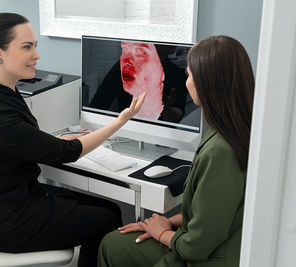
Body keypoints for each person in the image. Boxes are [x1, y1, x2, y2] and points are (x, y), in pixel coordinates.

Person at [0, 13, 145, 267]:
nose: (36, 55)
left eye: (35, 46)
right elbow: (68, 153)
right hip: (0, 219)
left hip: (6, 198)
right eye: (26, 47)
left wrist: (61, 138)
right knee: (105, 220)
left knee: (110, 210)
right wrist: (119, 122)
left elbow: (27, 140)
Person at [98, 35, 255, 267]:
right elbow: (211, 212)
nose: (186, 82)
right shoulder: (233, 132)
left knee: (112, 244)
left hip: (204, 257)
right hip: (205, 242)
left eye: (190, 75)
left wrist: (161, 232)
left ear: (208, 83)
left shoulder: (222, 151)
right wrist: (164, 223)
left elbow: (197, 244)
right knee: (114, 242)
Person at [89, 41, 189, 122]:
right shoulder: (126, 67)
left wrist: (165, 107)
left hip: (161, 137)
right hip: (128, 131)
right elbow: (97, 106)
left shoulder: (177, 75)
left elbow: (176, 118)